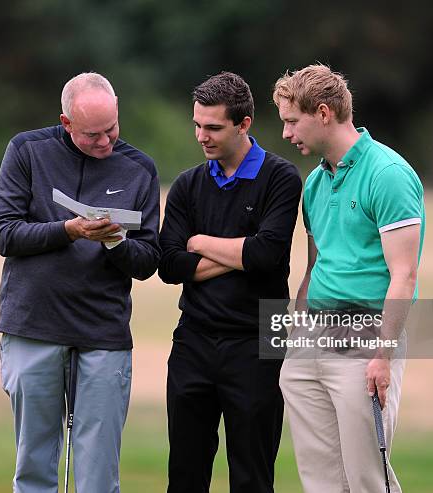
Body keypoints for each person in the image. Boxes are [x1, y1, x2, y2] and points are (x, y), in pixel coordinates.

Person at [0, 72, 160, 493]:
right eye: (92, 135)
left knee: (98, 474)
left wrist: (116, 242)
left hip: (103, 331)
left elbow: (147, 261)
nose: (105, 142)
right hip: (33, 324)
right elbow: (4, 232)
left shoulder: (140, 168)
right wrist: (69, 230)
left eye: (111, 130)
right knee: (34, 466)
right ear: (66, 123)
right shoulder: (27, 150)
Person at [273, 64, 425, 493]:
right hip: (312, 340)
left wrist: (383, 355)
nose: (286, 134)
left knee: (366, 478)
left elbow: (405, 275)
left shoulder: (388, 174)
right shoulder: (316, 183)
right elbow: (313, 268)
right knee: (320, 481)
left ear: (322, 113)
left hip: (366, 340)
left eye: (291, 121)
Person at [158, 72, 303, 493]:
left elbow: (266, 256)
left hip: (264, 332)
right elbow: (169, 265)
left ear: (243, 124)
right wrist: (241, 253)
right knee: (185, 472)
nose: (201, 136)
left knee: (252, 474)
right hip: (194, 337)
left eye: (213, 127)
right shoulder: (187, 184)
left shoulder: (282, 177)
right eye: (197, 125)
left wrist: (199, 242)